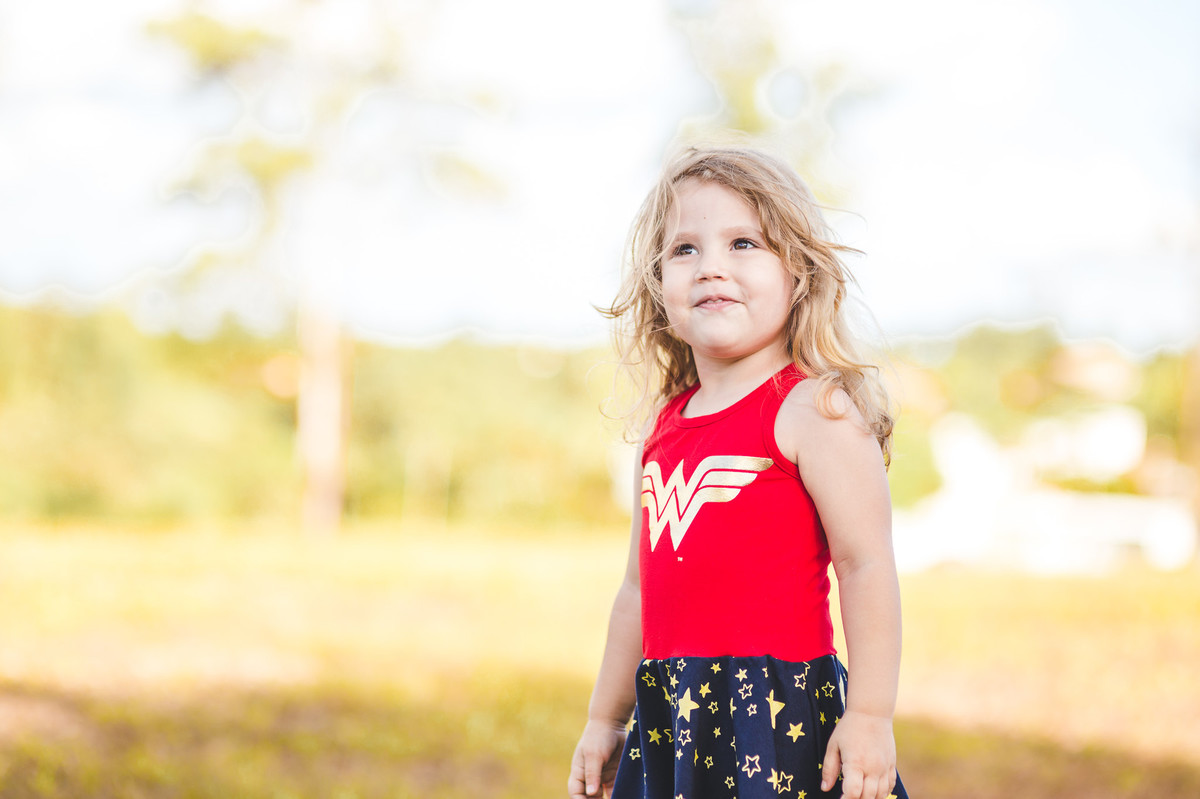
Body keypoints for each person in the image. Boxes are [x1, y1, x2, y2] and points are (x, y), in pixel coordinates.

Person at [567, 145, 909, 799]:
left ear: (799, 273)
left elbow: (865, 564)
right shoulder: (663, 429)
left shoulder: (813, 409)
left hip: (773, 721)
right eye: (685, 249)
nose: (711, 267)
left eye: (744, 243)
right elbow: (637, 594)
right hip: (672, 720)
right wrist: (605, 718)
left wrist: (870, 713)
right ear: (657, 281)